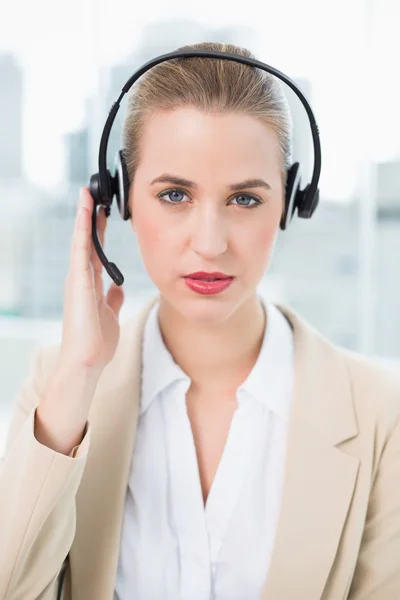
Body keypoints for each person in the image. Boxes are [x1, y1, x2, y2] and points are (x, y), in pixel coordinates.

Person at [1, 41, 400, 600]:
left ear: (290, 204)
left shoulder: (381, 413)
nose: (209, 244)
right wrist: (77, 377)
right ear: (120, 199)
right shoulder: (57, 386)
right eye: (173, 194)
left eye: (244, 200)